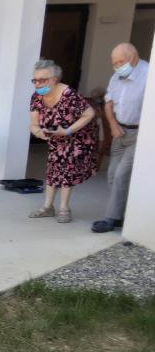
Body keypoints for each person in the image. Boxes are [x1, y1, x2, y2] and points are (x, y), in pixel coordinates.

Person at [28, 59, 97, 223]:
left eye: (42, 80)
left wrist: (67, 131)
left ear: (54, 79)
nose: (37, 84)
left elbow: (90, 113)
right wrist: (38, 132)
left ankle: (64, 208)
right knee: (53, 167)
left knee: (67, 169)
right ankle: (48, 207)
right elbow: (34, 124)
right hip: (56, 137)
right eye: (35, 80)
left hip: (77, 136)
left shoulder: (69, 95)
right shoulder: (37, 97)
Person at [92, 43, 149, 233]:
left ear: (134, 57)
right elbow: (108, 103)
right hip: (119, 132)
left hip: (138, 134)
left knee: (121, 175)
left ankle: (111, 218)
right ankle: (121, 215)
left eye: (120, 62)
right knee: (112, 175)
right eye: (114, 63)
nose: (117, 66)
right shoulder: (116, 76)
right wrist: (113, 124)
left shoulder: (148, 74)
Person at [88, 87, 112, 169]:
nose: (95, 100)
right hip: (96, 130)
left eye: (96, 97)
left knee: (100, 150)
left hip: (105, 131)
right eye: (93, 98)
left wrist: (100, 114)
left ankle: (96, 167)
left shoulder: (108, 104)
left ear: (102, 96)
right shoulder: (93, 105)